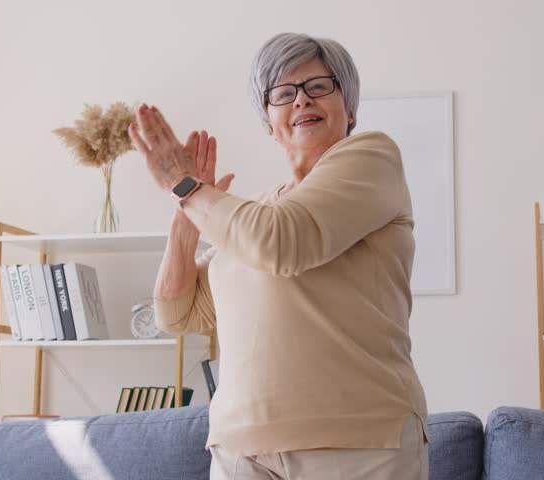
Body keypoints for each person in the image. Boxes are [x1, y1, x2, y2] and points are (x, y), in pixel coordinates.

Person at [129, 32, 430, 480]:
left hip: (360, 443)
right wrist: (185, 212)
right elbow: (176, 314)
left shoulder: (372, 158)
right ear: (268, 122)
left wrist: (189, 188)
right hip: (240, 450)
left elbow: (281, 243)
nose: (301, 101)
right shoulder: (257, 213)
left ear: (349, 108)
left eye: (319, 86)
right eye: (283, 94)